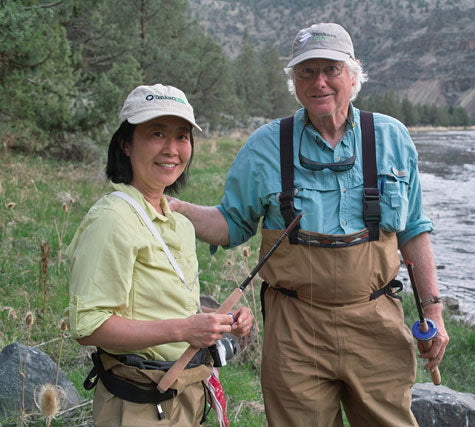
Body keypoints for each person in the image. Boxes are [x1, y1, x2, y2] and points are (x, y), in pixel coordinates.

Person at [171, 23, 449, 426]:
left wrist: (435, 313)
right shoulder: (265, 146)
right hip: (294, 331)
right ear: (295, 82)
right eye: (306, 71)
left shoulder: (392, 138)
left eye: (331, 69)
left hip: (376, 324)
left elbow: (413, 231)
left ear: (353, 75)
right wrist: (173, 206)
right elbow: (230, 224)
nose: (319, 81)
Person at [64, 84, 253, 426]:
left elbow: (161, 306)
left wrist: (219, 320)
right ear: (125, 144)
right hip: (138, 403)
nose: (171, 149)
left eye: (182, 136)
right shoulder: (112, 219)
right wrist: (184, 329)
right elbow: (88, 327)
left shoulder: (178, 222)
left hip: (185, 395)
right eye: (156, 133)